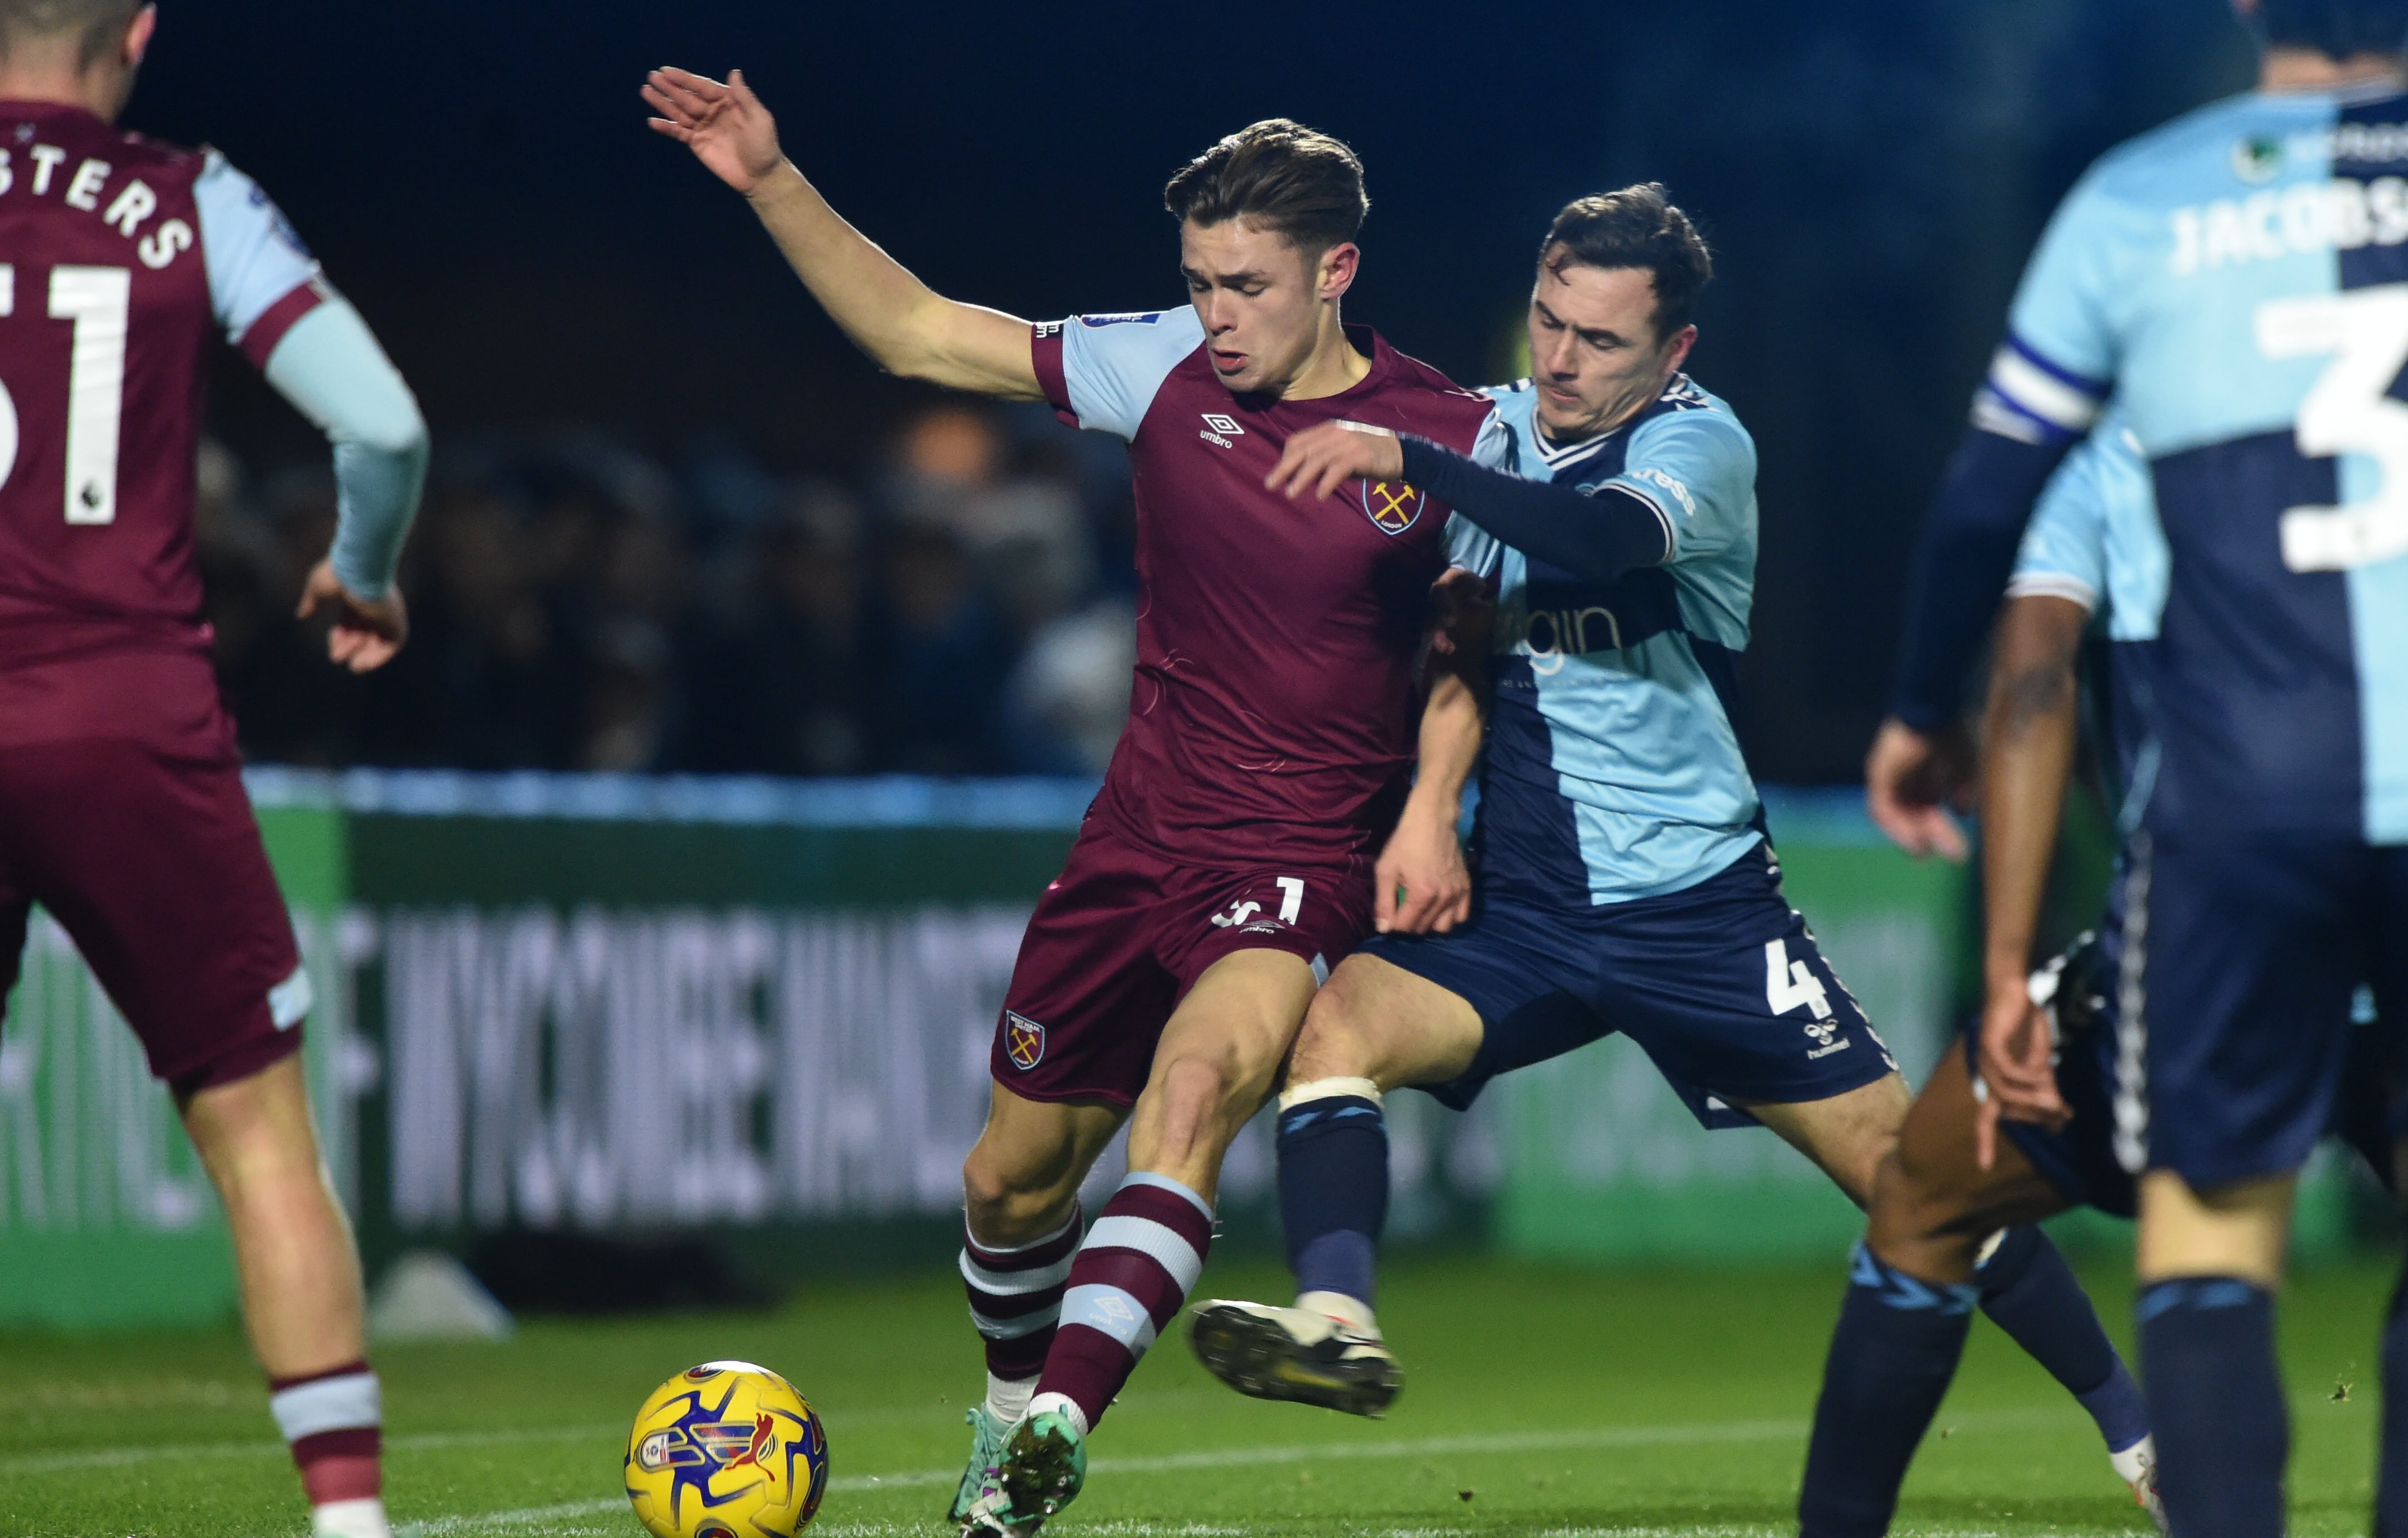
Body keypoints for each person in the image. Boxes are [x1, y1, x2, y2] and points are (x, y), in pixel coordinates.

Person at [1867, 0, 2408, 1531]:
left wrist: (1912, 706)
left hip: (2247, 810)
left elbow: (1987, 509)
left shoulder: (2142, 200)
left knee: (2205, 1238)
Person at [1182, 185, 2160, 1518]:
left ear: (1673, 354)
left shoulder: (1701, 452)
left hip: (1697, 915)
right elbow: (1468, 631)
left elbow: (1592, 541)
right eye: (1548, 321)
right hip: (1527, 913)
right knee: (1334, 1028)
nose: (1561, 361)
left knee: (1918, 1182)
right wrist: (1427, 810)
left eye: (1600, 341)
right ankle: (1339, 1321)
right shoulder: (1498, 426)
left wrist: (1407, 459)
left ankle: (2141, 1438)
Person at [643, 73, 1505, 1538]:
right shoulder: (1157, 367)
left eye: (1246, 285)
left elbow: (1470, 653)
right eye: (1198, 282)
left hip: (1298, 861)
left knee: (1189, 1104)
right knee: (1010, 1181)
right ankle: (1003, 1410)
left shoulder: (1448, 439)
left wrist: (1432, 811)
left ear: (1337, 271)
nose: (1216, 312)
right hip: (1133, 844)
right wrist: (771, 176)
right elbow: (917, 330)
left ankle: (1050, 1434)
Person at [1805, 424, 2408, 1538]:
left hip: (2212, 939)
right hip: (2401, 937)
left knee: (1933, 1193)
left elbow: (2033, 683)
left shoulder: (2119, 448)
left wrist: (2006, 964)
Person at [0, 4, 428, 1537]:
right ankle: (348, 1523)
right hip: (123, 708)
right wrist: (361, 567)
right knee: (255, 1133)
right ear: (138, 26)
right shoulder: (191, 197)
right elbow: (381, 424)